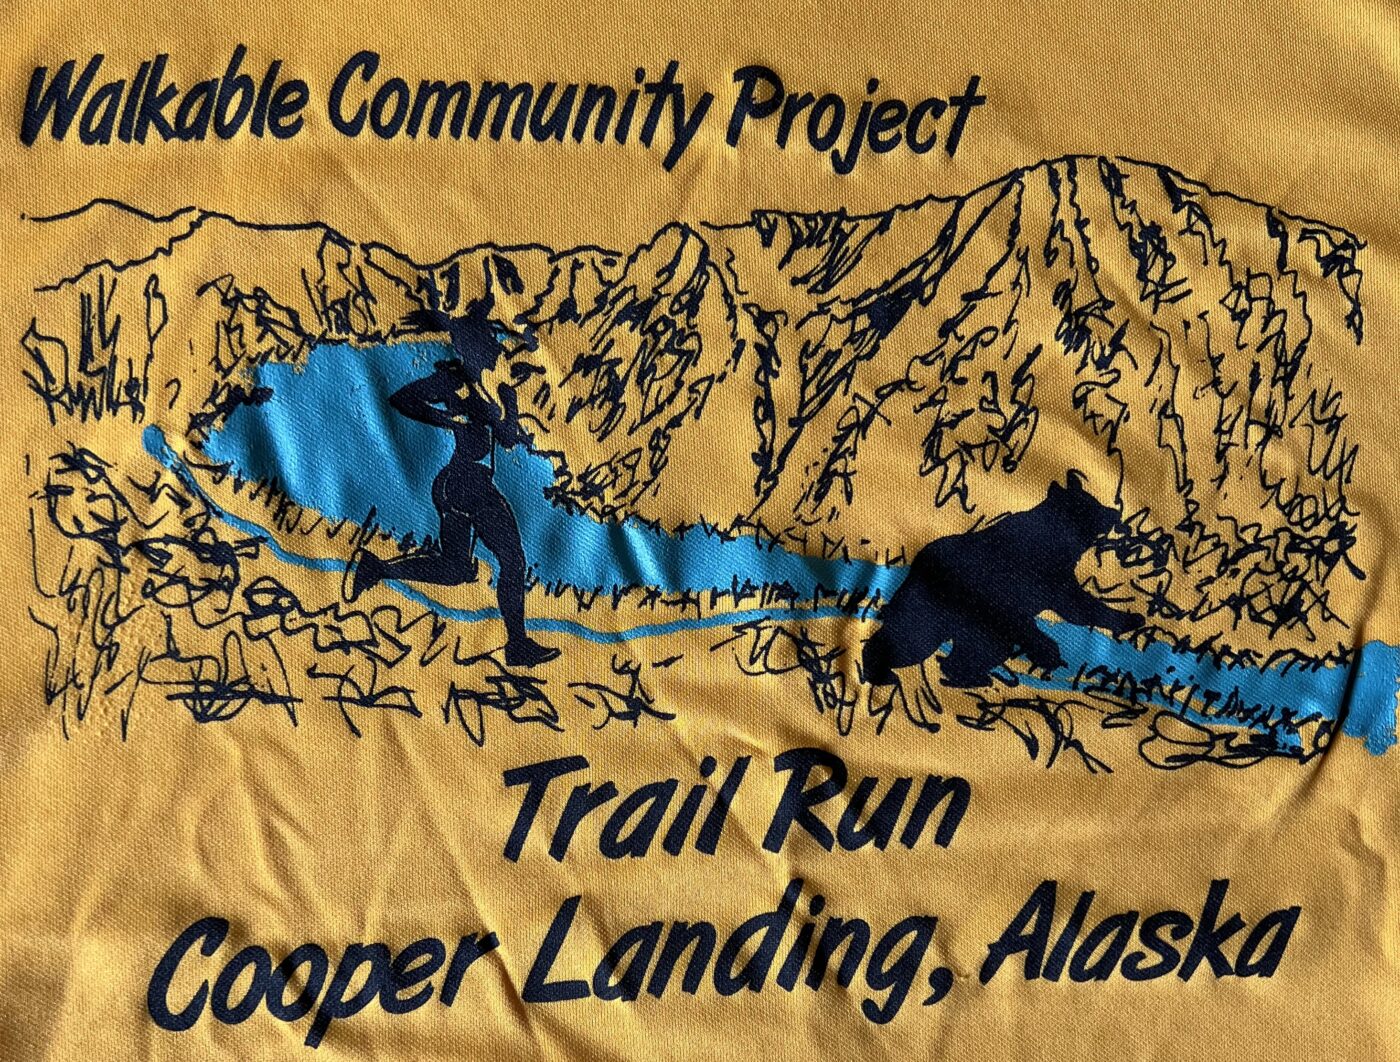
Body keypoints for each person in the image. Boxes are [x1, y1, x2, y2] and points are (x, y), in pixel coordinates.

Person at [344, 289, 560, 668]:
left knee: (457, 567)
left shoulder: (492, 388)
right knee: (512, 560)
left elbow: (506, 439)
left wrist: (510, 414)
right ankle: (517, 645)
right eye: (491, 339)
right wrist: (449, 420)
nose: (496, 346)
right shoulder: (455, 382)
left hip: (459, 484)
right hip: (468, 483)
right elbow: (402, 400)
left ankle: (378, 568)